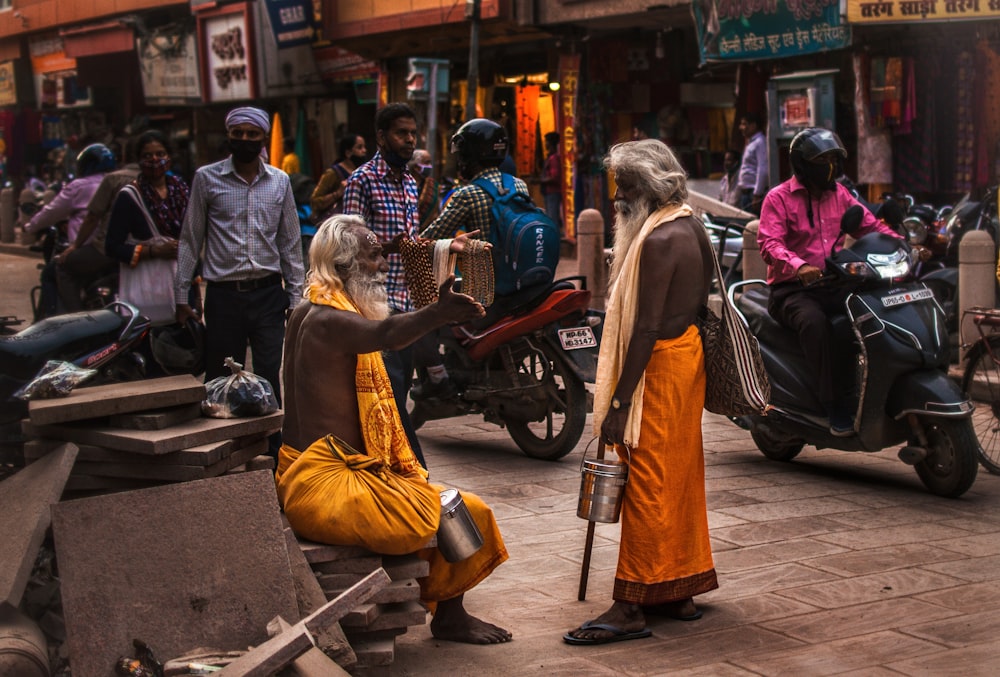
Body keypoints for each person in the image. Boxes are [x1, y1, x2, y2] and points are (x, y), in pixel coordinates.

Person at [278, 214, 511, 645]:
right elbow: (388, 332)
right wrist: (438, 313)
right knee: (456, 510)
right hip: (324, 486)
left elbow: (386, 262)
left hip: (318, 473)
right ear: (345, 265)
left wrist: (441, 246)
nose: (383, 267)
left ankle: (448, 612)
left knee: (447, 503)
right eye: (372, 258)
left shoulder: (305, 308)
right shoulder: (332, 321)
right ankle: (451, 618)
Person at [565, 138, 718, 646]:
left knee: (649, 480)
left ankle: (631, 604)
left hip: (660, 366)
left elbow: (647, 329)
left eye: (625, 188)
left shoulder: (656, 241)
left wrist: (618, 403)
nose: (617, 200)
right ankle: (678, 588)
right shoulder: (692, 226)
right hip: (685, 359)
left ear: (651, 188)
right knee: (678, 476)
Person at [174, 106, 304, 460]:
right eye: (238, 133)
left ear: (263, 139)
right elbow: (190, 239)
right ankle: (218, 453)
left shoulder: (279, 181)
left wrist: (296, 298)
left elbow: (290, 243)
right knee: (218, 378)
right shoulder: (206, 178)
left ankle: (274, 457)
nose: (245, 139)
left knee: (267, 375)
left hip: (268, 295)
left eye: (252, 134)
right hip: (223, 297)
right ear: (229, 136)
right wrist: (181, 292)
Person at [757, 128, 901, 436]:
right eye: (823, 161)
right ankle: (832, 403)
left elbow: (870, 226)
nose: (830, 167)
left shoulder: (841, 195)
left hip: (835, 283)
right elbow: (769, 243)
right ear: (803, 164)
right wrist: (799, 266)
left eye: (834, 160)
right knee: (815, 323)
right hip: (792, 290)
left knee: (873, 311)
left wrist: (905, 245)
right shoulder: (779, 198)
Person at [342, 103, 427, 465]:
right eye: (401, 133)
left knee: (399, 389)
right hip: (373, 304)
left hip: (405, 302)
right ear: (381, 137)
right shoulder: (361, 180)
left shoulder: (410, 181)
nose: (409, 140)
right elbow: (347, 244)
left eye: (412, 133)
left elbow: (413, 239)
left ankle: (391, 462)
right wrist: (392, 247)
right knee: (386, 392)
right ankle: (412, 464)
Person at [105, 130, 193, 329]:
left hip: (183, 289)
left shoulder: (181, 190)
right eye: (147, 156)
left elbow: (191, 240)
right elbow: (112, 246)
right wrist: (153, 251)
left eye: (160, 154)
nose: (155, 160)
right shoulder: (129, 197)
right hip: (148, 295)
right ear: (138, 160)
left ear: (169, 157)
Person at [24, 143, 114, 318]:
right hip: (121, 249)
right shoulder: (118, 181)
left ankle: (73, 318)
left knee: (56, 270)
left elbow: (51, 212)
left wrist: (29, 226)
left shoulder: (79, 186)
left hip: (94, 249)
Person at [55, 141, 140, 313]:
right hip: (146, 249)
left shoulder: (113, 179)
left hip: (109, 250)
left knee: (62, 266)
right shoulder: (165, 179)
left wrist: (75, 246)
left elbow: (93, 217)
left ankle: (76, 318)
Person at [310, 132, 366, 224]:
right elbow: (315, 202)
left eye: (364, 147)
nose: (364, 151)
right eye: (359, 147)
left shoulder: (363, 172)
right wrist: (338, 193)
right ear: (348, 153)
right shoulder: (333, 173)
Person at [737, 112, 768, 215]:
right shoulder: (751, 142)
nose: (741, 127)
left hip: (752, 193)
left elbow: (762, 168)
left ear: (753, 125)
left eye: (744, 124)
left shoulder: (760, 142)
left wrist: (757, 194)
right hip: (746, 192)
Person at [408, 149, 440, 230]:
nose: (430, 166)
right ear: (416, 167)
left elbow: (435, 212)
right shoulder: (405, 183)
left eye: (430, 162)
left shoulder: (432, 185)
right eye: (426, 162)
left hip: (427, 232)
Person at [540, 131, 562, 237]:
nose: (545, 144)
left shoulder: (553, 158)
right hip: (549, 193)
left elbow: (554, 177)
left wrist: (541, 180)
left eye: (546, 142)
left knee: (552, 219)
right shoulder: (551, 157)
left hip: (553, 192)